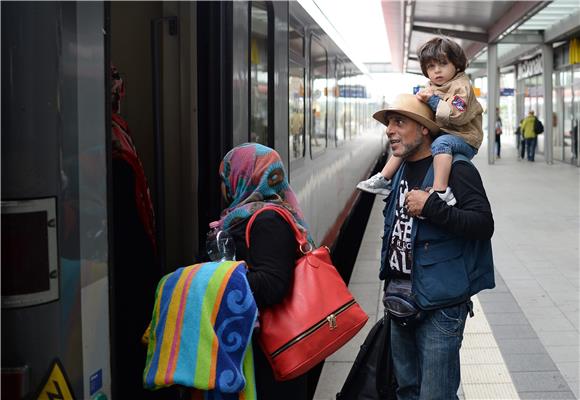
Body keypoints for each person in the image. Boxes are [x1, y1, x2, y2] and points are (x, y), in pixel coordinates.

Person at [372, 93, 495, 400]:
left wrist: (433, 207)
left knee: (435, 395)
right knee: (407, 390)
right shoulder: (399, 170)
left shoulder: (457, 169)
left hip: (440, 305)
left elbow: (483, 224)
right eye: (389, 124)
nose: (390, 130)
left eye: (399, 122)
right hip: (399, 298)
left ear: (425, 129)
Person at [213, 143, 310, 400]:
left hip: (267, 357)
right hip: (255, 349)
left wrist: (215, 279)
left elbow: (272, 283)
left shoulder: (268, 219)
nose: (222, 186)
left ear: (244, 177)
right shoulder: (244, 216)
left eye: (225, 178)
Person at [358, 36, 483, 204]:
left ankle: (440, 192)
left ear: (457, 65)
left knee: (441, 144)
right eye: (431, 66)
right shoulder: (431, 86)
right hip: (446, 131)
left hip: (465, 138)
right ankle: (384, 178)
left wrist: (431, 100)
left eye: (443, 63)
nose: (437, 70)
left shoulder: (462, 87)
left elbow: (457, 114)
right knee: (406, 143)